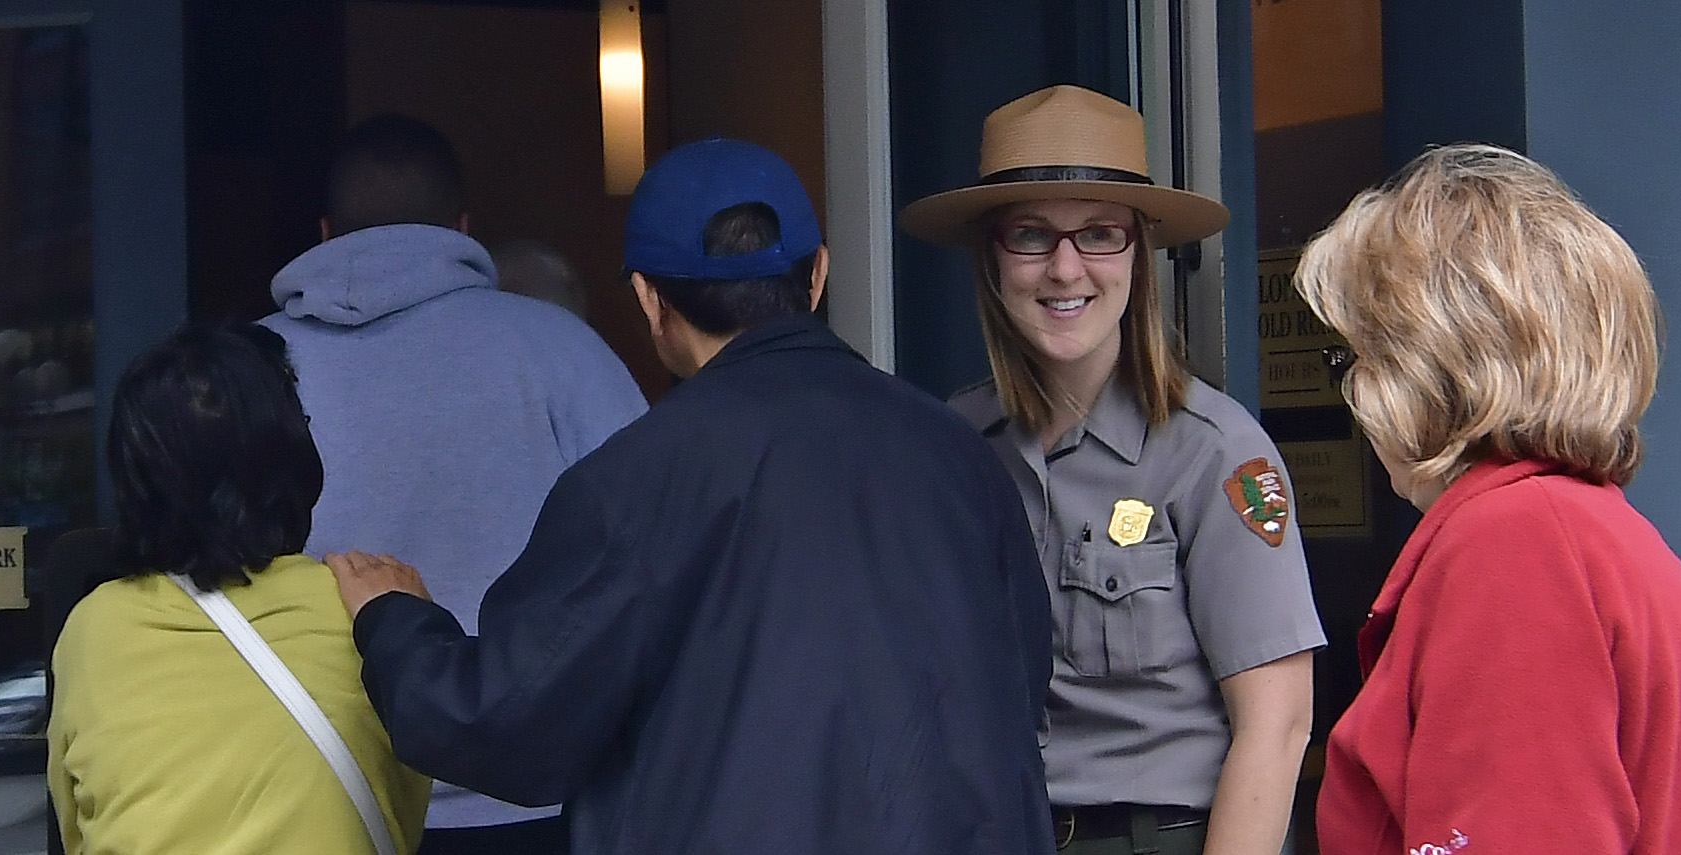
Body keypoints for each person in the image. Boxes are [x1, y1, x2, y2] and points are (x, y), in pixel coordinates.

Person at [325, 138, 1055, 855]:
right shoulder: (958, 450)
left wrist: (394, 620)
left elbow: (507, 721)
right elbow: (1022, 676)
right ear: (818, 275)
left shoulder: (633, 480)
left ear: (648, 299)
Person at [1293, 144, 1681, 854]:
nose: (1355, 393)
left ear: (1427, 365)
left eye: (1358, 356)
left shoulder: (1515, 540)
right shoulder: (1575, 529)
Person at [899, 85, 1326, 855]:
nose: (1066, 269)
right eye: (1031, 236)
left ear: (1139, 253)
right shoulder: (951, 445)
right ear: (991, 258)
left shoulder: (1215, 453)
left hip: (1158, 834)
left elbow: (1279, 723)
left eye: (1098, 234)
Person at [261, 113, 645, 853]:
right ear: (462, 229)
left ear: (323, 233)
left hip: (308, 788)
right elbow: (653, 553)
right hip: (530, 792)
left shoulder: (246, 369)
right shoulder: (562, 349)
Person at [47, 323, 428, 854]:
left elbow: (75, 824)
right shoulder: (367, 609)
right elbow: (406, 798)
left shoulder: (93, 629)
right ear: (294, 455)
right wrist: (411, 626)